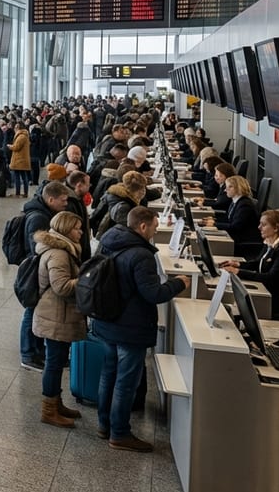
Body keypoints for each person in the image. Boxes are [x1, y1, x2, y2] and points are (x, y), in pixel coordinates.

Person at [94, 207, 189, 452]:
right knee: (126, 382)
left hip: (107, 320)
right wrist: (179, 283)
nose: (157, 230)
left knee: (108, 374)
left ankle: (104, 425)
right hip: (130, 326)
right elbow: (153, 293)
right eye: (155, 226)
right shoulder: (141, 255)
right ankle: (120, 433)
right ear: (143, 226)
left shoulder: (109, 241)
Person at [31, 211, 87, 428]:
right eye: (76, 228)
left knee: (57, 359)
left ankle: (56, 402)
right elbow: (61, 287)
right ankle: (48, 409)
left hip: (58, 313)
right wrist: (86, 278)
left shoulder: (64, 249)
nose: (80, 232)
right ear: (64, 229)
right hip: (54, 315)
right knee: (54, 363)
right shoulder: (59, 254)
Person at [18, 181, 72, 371]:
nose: (66, 203)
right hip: (35, 271)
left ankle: (37, 350)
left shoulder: (45, 212)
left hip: (40, 268)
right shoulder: (39, 218)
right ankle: (28, 354)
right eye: (63, 200)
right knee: (31, 311)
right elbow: (37, 248)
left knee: (36, 311)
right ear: (51, 199)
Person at [221, 209, 279, 303]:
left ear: (276, 228)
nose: (259, 227)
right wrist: (238, 264)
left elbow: (272, 278)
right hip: (264, 289)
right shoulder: (270, 242)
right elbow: (258, 263)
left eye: (263, 225)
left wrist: (238, 272)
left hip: (276, 299)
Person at [206, 175, 263, 256]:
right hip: (235, 236)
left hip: (243, 241)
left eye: (230, 187)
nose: (225, 190)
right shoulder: (236, 201)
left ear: (238, 188)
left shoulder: (245, 205)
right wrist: (213, 220)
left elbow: (235, 227)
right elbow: (228, 219)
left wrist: (214, 224)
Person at [94, 171, 147, 240]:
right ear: (135, 190)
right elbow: (129, 229)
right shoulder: (124, 206)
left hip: (107, 236)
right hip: (113, 240)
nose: (143, 192)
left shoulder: (118, 194)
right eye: (142, 189)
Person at [7, 122, 32, 198]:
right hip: (22, 160)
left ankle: (18, 193)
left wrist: (9, 146)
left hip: (19, 160)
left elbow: (16, 147)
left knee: (18, 177)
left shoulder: (21, 136)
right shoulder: (24, 135)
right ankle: (25, 192)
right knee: (24, 177)